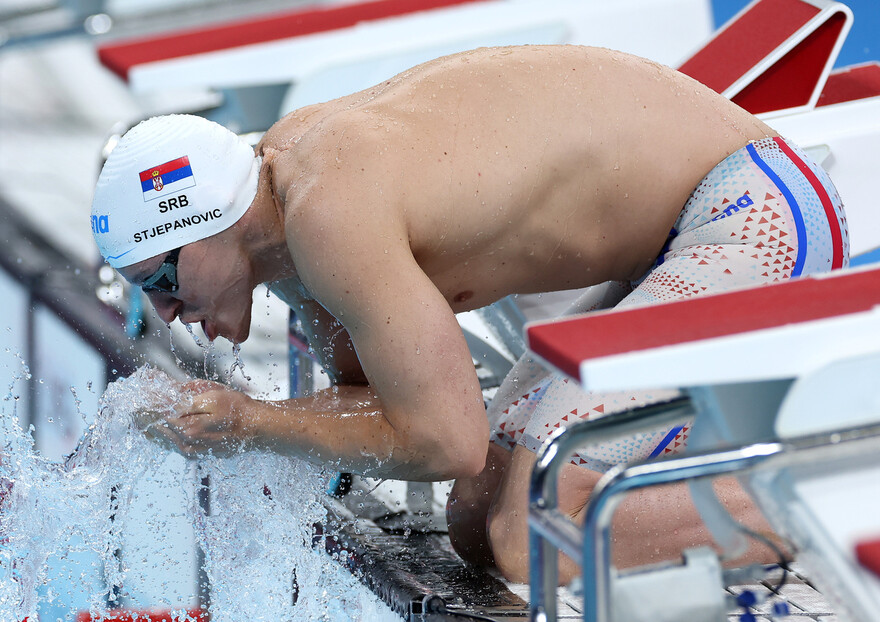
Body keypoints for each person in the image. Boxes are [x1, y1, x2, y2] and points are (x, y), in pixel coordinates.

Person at [89, 45, 849, 583]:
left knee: (534, 535)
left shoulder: (328, 215)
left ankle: (840, 508)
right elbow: (387, 413)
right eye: (143, 290)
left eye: (163, 274)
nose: (162, 306)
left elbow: (445, 438)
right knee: (477, 516)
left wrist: (249, 422)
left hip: (748, 208)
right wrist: (256, 424)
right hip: (673, 234)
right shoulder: (279, 226)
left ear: (209, 223)